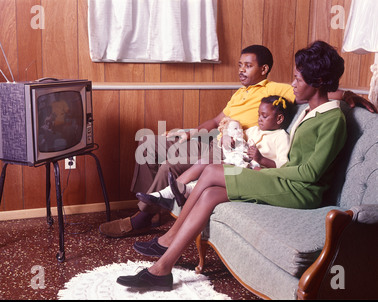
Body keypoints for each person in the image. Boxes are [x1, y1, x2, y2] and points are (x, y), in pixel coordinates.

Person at [115, 40, 349, 290]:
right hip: (285, 180)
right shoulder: (308, 111)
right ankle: (162, 268)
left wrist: (268, 169)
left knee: (213, 170)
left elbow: (310, 173)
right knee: (210, 194)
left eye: (298, 80)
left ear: (318, 82)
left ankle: (169, 238)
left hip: (302, 191)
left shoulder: (333, 119)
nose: (293, 84)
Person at [99, 44, 377, 239]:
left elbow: (320, 90)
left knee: (170, 166)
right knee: (148, 147)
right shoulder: (239, 93)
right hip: (213, 137)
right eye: (240, 65)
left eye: (248, 65)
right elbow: (216, 119)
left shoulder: (277, 89)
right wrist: (188, 133)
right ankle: (154, 211)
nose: (241, 70)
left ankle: (141, 217)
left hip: (230, 147)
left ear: (264, 69)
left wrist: (351, 95)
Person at [135, 95, 292, 209]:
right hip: (231, 157)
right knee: (204, 163)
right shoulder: (253, 129)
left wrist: (261, 159)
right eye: (258, 115)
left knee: (206, 166)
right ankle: (168, 193)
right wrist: (226, 138)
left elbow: (284, 166)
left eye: (264, 116)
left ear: (279, 119)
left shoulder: (281, 137)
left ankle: (168, 195)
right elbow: (235, 138)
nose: (259, 119)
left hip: (252, 171)